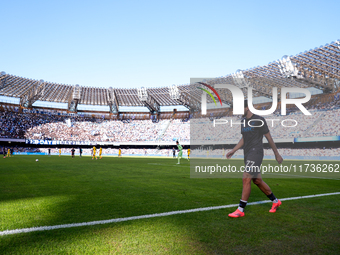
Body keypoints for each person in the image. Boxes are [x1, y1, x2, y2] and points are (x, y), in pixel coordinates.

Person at [226, 100, 283, 218]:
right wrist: (233, 150)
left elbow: (269, 138)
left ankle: (240, 209)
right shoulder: (243, 122)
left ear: (247, 107)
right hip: (247, 154)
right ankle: (275, 201)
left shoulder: (259, 120)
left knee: (246, 177)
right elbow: (243, 139)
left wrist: (276, 154)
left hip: (256, 153)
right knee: (257, 180)